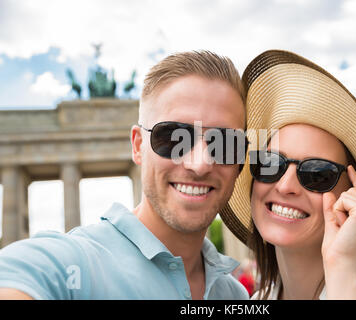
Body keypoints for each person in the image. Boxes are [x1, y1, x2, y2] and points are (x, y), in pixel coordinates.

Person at [0, 51, 249, 300]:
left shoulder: (234, 294)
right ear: (138, 145)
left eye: (224, 143)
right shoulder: (71, 264)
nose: (200, 164)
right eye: (174, 138)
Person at [219, 49, 356, 300]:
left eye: (318, 174)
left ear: (355, 198)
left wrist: (342, 268)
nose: (286, 185)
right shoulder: (259, 299)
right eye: (270, 164)